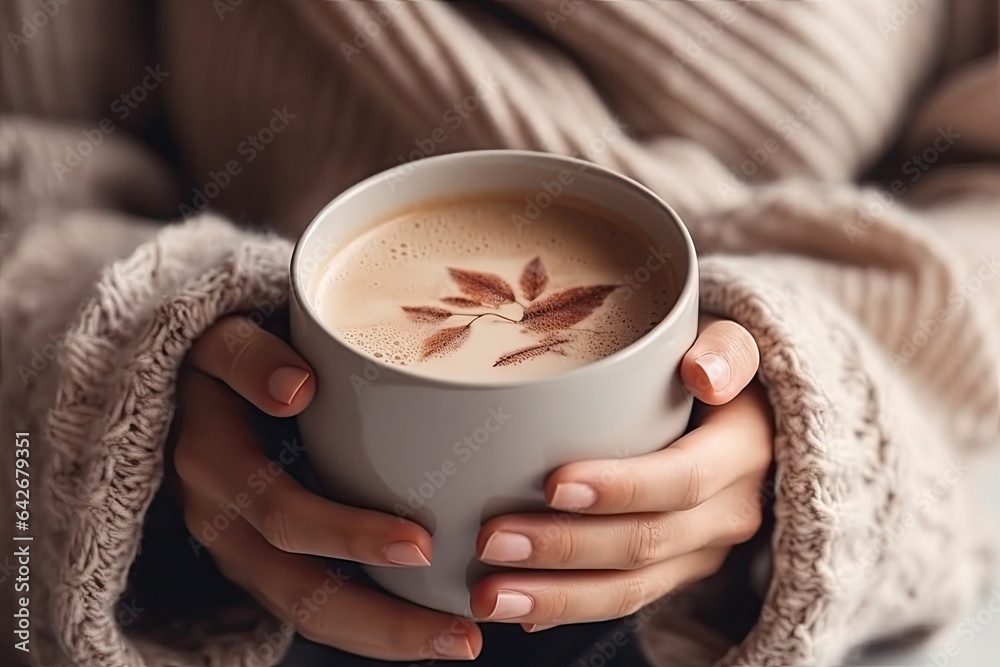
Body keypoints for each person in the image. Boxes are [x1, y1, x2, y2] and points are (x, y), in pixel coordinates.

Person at [1, 1, 997, 666]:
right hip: (221, 579)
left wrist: (828, 418)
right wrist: (124, 377)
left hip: (755, 608)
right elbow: (31, 166)